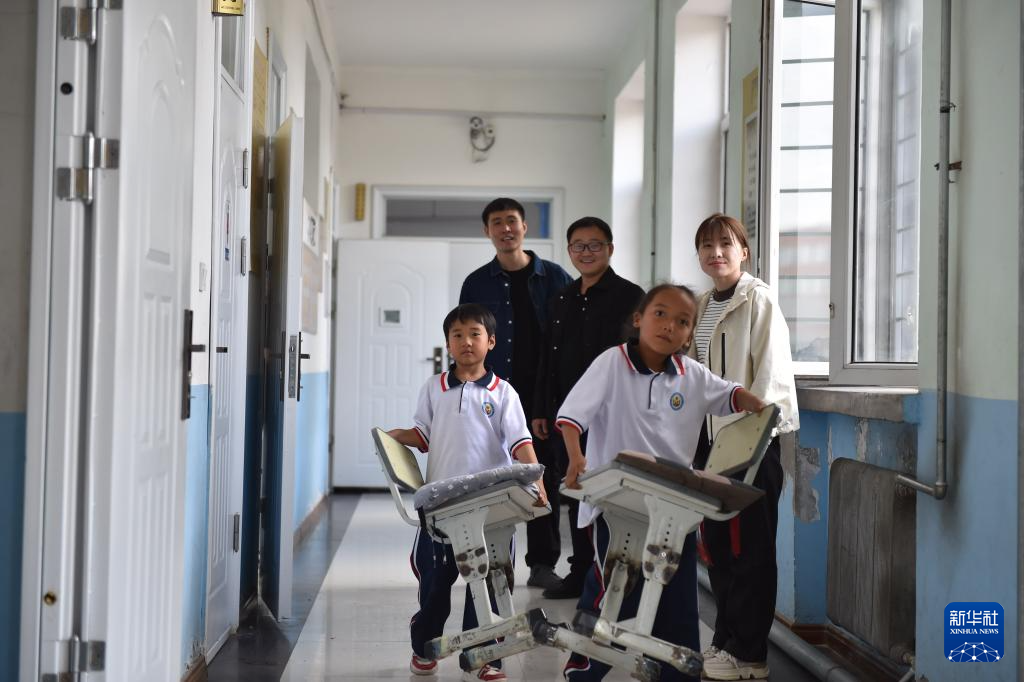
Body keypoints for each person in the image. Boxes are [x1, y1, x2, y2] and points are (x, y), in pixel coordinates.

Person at [557, 284, 766, 682]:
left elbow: (730, 395)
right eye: (660, 314)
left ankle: (677, 674)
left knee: (677, 598)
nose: (670, 325)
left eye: (682, 321)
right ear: (638, 319)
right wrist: (576, 456)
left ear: (689, 335)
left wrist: (757, 404)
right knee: (615, 589)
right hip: (617, 502)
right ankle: (584, 668)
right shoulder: (612, 363)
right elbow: (571, 417)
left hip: (675, 507)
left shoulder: (692, 375)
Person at [387, 303, 549, 682]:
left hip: (493, 509)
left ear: (490, 341)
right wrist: (394, 437)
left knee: (492, 584)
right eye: (457, 335)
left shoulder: (503, 393)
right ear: (448, 344)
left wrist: (537, 483)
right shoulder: (434, 388)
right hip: (441, 508)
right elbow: (422, 435)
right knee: (435, 585)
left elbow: (521, 443)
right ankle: (424, 644)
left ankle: (484, 657)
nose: (466, 342)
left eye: (474, 334)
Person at [689, 213, 799, 681]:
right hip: (710, 445)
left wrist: (749, 440)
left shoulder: (758, 299)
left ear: (744, 252)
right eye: (706, 245)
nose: (715, 253)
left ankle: (750, 655)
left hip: (750, 443)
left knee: (749, 550)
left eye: (725, 244)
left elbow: (771, 375)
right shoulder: (700, 304)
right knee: (717, 548)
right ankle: (726, 642)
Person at [459, 197, 572, 591]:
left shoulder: (555, 278)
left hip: (542, 398)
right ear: (487, 231)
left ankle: (542, 564)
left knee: (542, 477)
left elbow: (565, 340)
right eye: (497, 222)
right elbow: (467, 341)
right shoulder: (476, 283)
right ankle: (491, 561)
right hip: (491, 395)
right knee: (488, 476)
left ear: (524, 227)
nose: (505, 229)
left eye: (512, 221)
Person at [531, 216, 643, 599]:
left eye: (595, 245)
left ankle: (614, 574)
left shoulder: (631, 297)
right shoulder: (561, 297)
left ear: (610, 249)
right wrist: (543, 408)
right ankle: (581, 572)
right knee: (574, 491)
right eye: (578, 246)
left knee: (611, 494)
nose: (586, 252)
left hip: (614, 414)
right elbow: (548, 356)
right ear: (569, 251)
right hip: (569, 416)